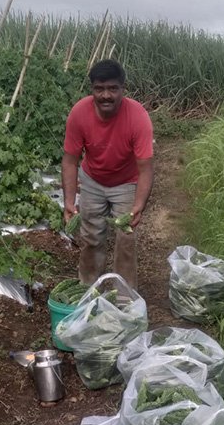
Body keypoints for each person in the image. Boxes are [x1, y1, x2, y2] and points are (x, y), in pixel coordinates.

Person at [61, 58, 155, 287]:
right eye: (99, 89)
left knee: (126, 239)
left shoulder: (137, 116)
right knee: (91, 238)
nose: (106, 95)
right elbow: (70, 161)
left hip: (126, 181)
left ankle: (123, 295)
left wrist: (139, 206)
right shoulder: (79, 113)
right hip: (92, 180)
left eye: (113, 88)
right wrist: (69, 202)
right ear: (92, 89)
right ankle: (89, 289)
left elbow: (145, 168)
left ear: (123, 88)